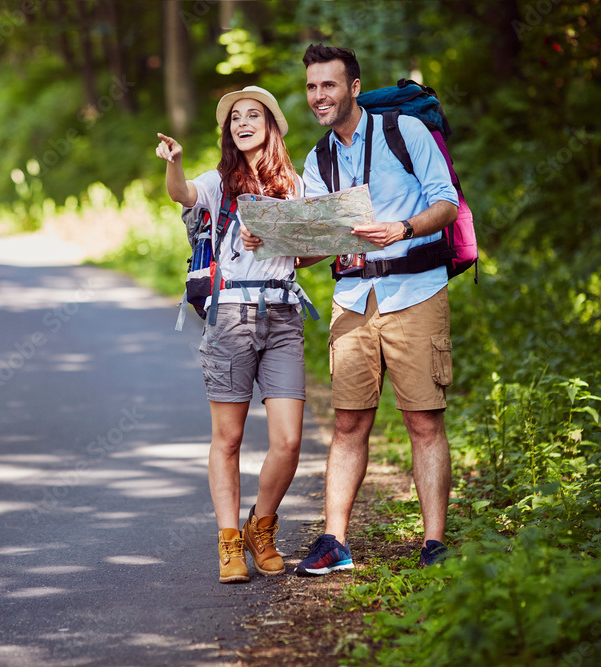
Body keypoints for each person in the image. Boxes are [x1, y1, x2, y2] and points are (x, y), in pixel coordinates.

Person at [243, 45, 459, 572]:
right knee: (348, 424)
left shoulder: (402, 133)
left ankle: (434, 545)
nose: (319, 96)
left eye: (329, 86)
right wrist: (275, 240)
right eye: (313, 87)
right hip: (353, 298)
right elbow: (324, 242)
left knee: (424, 422)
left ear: (354, 88)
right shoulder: (318, 159)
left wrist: (402, 229)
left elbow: (446, 201)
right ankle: (334, 542)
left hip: (416, 292)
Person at [155, 86, 315, 584]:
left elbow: (308, 251)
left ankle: (260, 527)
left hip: (284, 313)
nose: (243, 123)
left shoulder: (296, 184)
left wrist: (286, 238)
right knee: (228, 439)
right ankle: (229, 543)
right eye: (235, 118)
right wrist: (174, 162)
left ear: (271, 125)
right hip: (231, 316)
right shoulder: (219, 182)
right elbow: (180, 195)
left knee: (288, 441)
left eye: (254, 115)